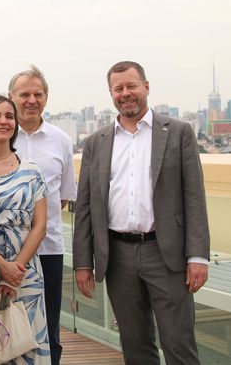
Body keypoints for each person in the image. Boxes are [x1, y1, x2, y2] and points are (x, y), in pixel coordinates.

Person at [73, 61, 210, 365]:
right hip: (118, 256)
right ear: (111, 94)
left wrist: (198, 256)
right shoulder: (96, 143)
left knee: (179, 343)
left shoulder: (178, 133)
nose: (126, 93)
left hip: (167, 254)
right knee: (135, 346)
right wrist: (83, 262)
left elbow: (195, 198)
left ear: (146, 87)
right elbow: (85, 208)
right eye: (118, 88)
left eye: (131, 86)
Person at [0, 95, 50, 365]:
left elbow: (40, 225)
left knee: (27, 342)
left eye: (9, 116)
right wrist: (0, 265)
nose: (3, 121)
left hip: (25, 274)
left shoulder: (32, 171)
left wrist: (16, 267)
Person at [7, 65, 76, 365]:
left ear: (46, 97)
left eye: (38, 94)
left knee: (49, 328)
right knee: (5, 324)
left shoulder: (61, 140)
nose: (31, 100)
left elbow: (61, 197)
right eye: (24, 94)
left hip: (48, 248)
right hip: (6, 252)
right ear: (11, 97)